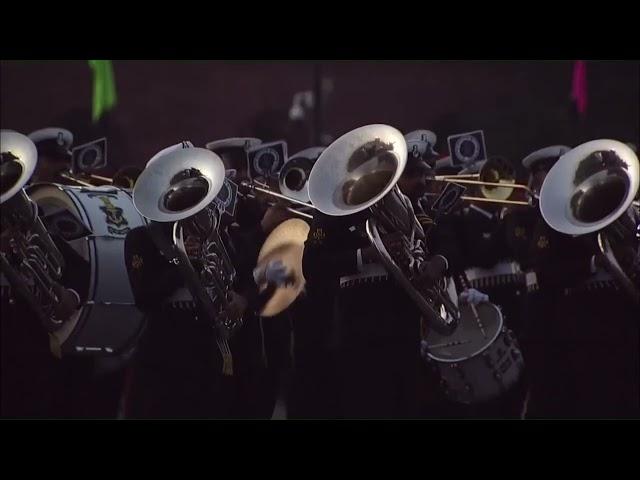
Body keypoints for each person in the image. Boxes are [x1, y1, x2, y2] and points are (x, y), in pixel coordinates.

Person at [519, 145, 639, 418]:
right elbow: (546, 271)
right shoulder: (557, 216)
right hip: (587, 317)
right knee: (597, 396)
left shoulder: (628, 210)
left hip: (626, 312)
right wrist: (597, 262)